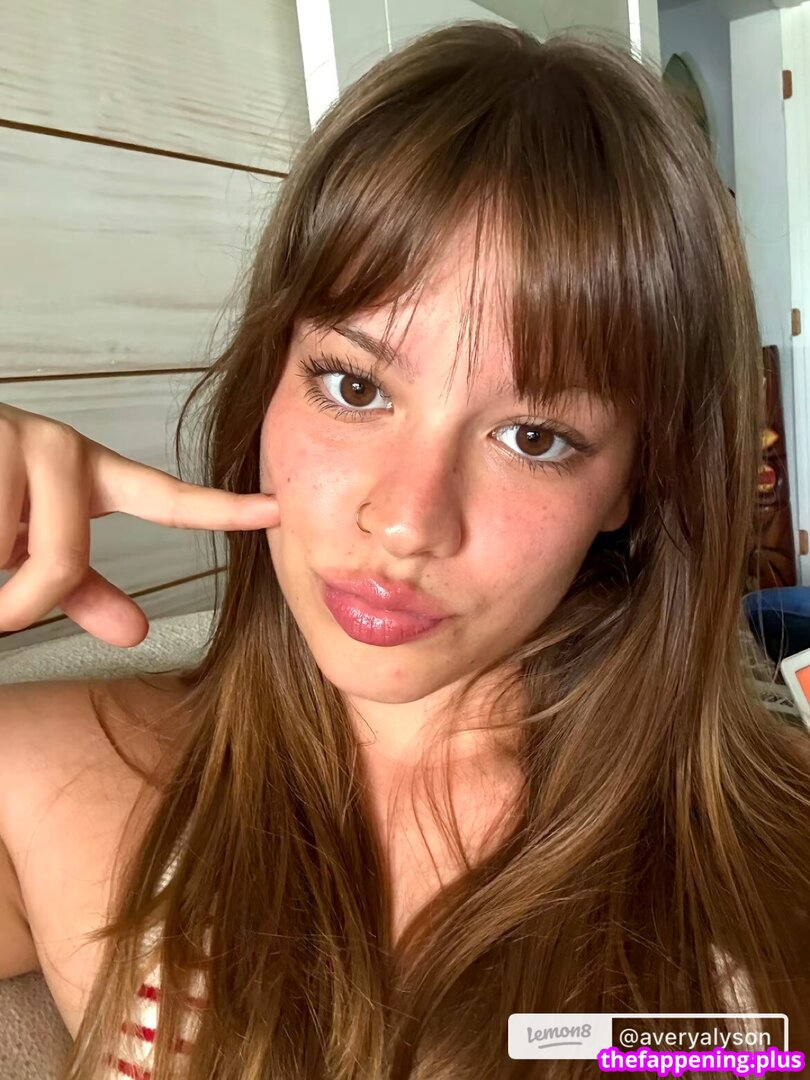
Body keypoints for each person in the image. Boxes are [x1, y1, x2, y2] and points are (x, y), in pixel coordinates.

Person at [1, 19, 809, 1080]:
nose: (408, 521)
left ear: (631, 484)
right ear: (269, 381)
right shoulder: (50, 776)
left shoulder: (778, 862)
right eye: (354, 385)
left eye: (534, 437)